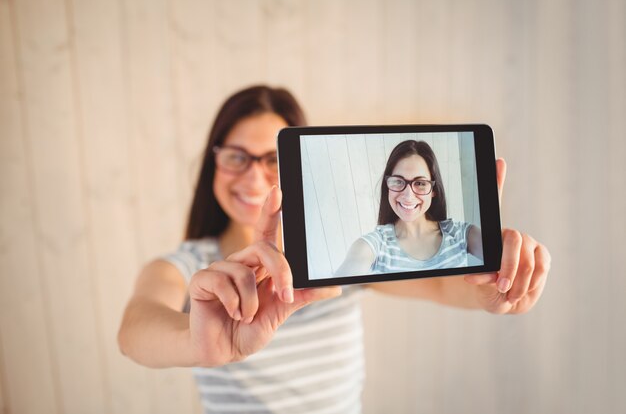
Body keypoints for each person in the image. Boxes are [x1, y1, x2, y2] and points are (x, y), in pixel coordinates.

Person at [118, 85, 551, 413]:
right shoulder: (192, 267)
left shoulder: (334, 267)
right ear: (214, 162)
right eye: (236, 157)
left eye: (272, 160)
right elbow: (135, 329)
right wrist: (197, 343)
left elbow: (443, 289)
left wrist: (494, 288)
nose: (252, 178)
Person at [336, 139, 482, 276]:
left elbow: (497, 254)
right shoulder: (376, 245)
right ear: (388, 187)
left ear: (434, 190)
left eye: (420, 183)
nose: (408, 196)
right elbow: (341, 284)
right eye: (398, 181)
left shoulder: (460, 234)